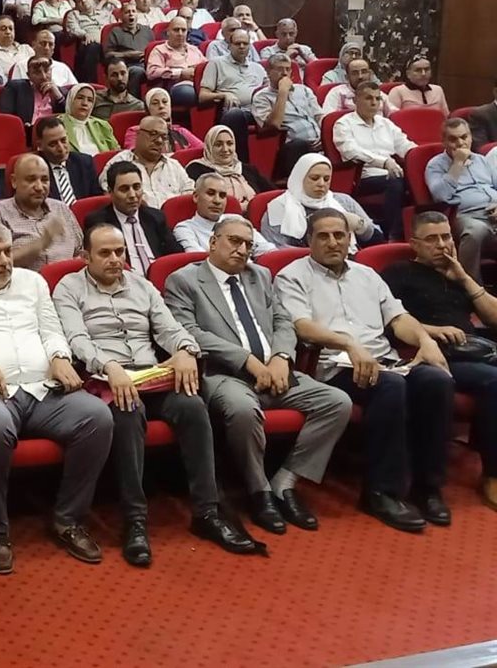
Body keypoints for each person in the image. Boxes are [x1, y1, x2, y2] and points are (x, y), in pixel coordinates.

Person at [54, 223, 259, 562]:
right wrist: (109, 366)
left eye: (119, 252)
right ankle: (135, 520)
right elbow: (76, 339)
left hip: (151, 374)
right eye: (104, 253)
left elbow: (170, 329)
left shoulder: (142, 286)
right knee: (127, 411)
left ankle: (207, 512)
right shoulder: (69, 287)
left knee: (193, 406)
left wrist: (185, 350)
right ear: (85, 256)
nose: (115, 259)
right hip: (108, 378)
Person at [0, 223, 112, 570]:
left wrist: (59, 357)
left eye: (8, 252)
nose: (5, 260)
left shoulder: (33, 282)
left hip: (42, 388)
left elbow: (51, 330)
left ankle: (68, 519)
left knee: (97, 417)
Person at [165, 215, 352, 533]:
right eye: (234, 241)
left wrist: (281, 357)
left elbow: (283, 321)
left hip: (274, 369)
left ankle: (285, 481)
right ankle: (259, 491)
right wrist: (248, 362)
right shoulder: (184, 280)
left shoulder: (260, 275)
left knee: (337, 402)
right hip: (224, 374)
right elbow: (189, 332)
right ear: (213, 242)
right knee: (242, 410)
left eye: (248, 245)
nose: (242, 250)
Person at [277, 210, 455, 532]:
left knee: (436, 380)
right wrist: (348, 344)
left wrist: (424, 340)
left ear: (350, 238)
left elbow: (398, 319)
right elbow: (301, 326)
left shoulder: (367, 275)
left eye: (340, 235)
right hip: (333, 366)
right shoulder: (292, 276)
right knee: (389, 387)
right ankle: (381, 492)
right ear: (309, 241)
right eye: (324, 236)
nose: (333, 242)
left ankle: (427, 488)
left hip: (385, 361)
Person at [380, 211, 497, 510]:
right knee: (494, 381)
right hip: (428, 353)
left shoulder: (457, 274)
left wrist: (464, 278)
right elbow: (386, 320)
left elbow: (493, 318)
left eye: (446, 237)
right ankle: (493, 475)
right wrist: (431, 331)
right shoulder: (398, 272)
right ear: (414, 244)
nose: (442, 245)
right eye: (432, 239)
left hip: (474, 350)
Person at [332, 81, 416, 240]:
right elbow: (351, 152)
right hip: (363, 177)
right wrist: (383, 162)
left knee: (417, 180)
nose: (374, 103)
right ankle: (392, 235)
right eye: (368, 98)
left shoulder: (386, 123)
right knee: (396, 182)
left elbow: (405, 145)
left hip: (392, 173)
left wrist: (420, 157)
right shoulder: (343, 124)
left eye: (378, 99)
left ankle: (417, 231)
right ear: (355, 100)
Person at [0, 154, 82, 270]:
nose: (39, 187)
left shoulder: (62, 209)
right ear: (14, 181)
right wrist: (42, 243)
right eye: (31, 180)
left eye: (44, 180)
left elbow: (80, 252)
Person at [260, 153, 381, 250]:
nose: (321, 184)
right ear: (300, 177)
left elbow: (378, 239)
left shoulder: (343, 201)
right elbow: (275, 249)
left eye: (326, 179)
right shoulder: (279, 207)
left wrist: (360, 226)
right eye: (314, 178)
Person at [427, 119, 497, 282]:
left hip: (494, 211)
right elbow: (441, 196)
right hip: (466, 216)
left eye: (464, 137)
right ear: (444, 141)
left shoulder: (481, 160)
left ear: (470, 137)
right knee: (475, 231)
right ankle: (470, 287)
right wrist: (457, 163)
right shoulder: (435, 165)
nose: (460, 143)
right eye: (453, 139)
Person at [87, 161, 182, 274]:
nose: (132, 195)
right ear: (110, 192)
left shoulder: (156, 217)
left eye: (136, 187)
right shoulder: (99, 223)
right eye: (124, 189)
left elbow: (176, 255)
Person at [251, 52, 324, 176]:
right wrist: (282, 92)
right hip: (289, 149)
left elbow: (319, 116)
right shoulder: (261, 97)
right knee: (299, 144)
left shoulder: (304, 90)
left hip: (319, 144)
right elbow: (273, 125)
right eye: (280, 69)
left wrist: (324, 137)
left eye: (288, 69)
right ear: (268, 72)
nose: (285, 73)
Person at [199, 27, 268, 154]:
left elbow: (270, 89)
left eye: (245, 43)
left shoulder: (258, 68)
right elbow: (202, 96)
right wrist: (224, 95)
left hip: (258, 110)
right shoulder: (216, 64)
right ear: (229, 46)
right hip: (232, 110)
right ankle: (241, 161)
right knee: (235, 115)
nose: (242, 47)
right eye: (237, 43)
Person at [173, 174, 274, 256]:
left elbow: (268, 249)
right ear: (196, 197)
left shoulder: (237, 220)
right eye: (210, 193)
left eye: (222, 196)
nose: (217, 201)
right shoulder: (185, 228)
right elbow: (197, 259)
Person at [107, 117, 195, 207]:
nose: (159, 141)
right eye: (153, 134)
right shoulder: (118, 163)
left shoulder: (174, 166)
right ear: (138, 134)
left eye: (164, 137)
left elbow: (189, 197)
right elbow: (110, 197)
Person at [186, 124, 272, 210]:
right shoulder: (196, 169)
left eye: (230, 144)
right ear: (209, 147)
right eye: (218, 145)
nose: (225, 149)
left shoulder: (247, 169)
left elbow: (273, 194)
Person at [37, 116, 101, 205]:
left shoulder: (84, 163)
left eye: (63, 140)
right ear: (40, 145)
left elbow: (97, 201)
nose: (61, 148)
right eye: (53, 144)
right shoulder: (35, 169)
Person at [122, 88, 203, 152]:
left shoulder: (181, 131)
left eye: (165, 102)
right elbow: (135, 156)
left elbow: (204, 150)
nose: (161, 106)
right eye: (155, 103)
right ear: (148, 109)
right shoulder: (136, 131)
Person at [0, 55, 66, 126]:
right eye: (37, 73)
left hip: (52, 131)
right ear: (29, 75)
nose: (43, 76)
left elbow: (69, 119)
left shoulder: (61, 93)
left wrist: (59, 97)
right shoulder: (16, 88)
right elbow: (6, 118)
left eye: (46, 71)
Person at [59, 83, 118, 155]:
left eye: (90, 100)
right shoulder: (58, 125)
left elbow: (116, 152)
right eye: (80, 98)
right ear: (70, 99)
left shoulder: (102, 125)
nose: (85, 103)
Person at [9, 29, 78, 88]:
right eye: (43, 43)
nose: (46, 48)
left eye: (50, 44)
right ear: (33, 45)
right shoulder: (21, 66)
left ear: (54, 48)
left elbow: (75, 92)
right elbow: (14, 91)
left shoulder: (63, 68)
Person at [324, 58, 390, 115]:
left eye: (364, 72)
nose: (360, 76)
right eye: (355, 73)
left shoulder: (379, 93)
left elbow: (393, 114)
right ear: (347, 77)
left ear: (370, 75)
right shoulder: (337, 93)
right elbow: (329, 118)